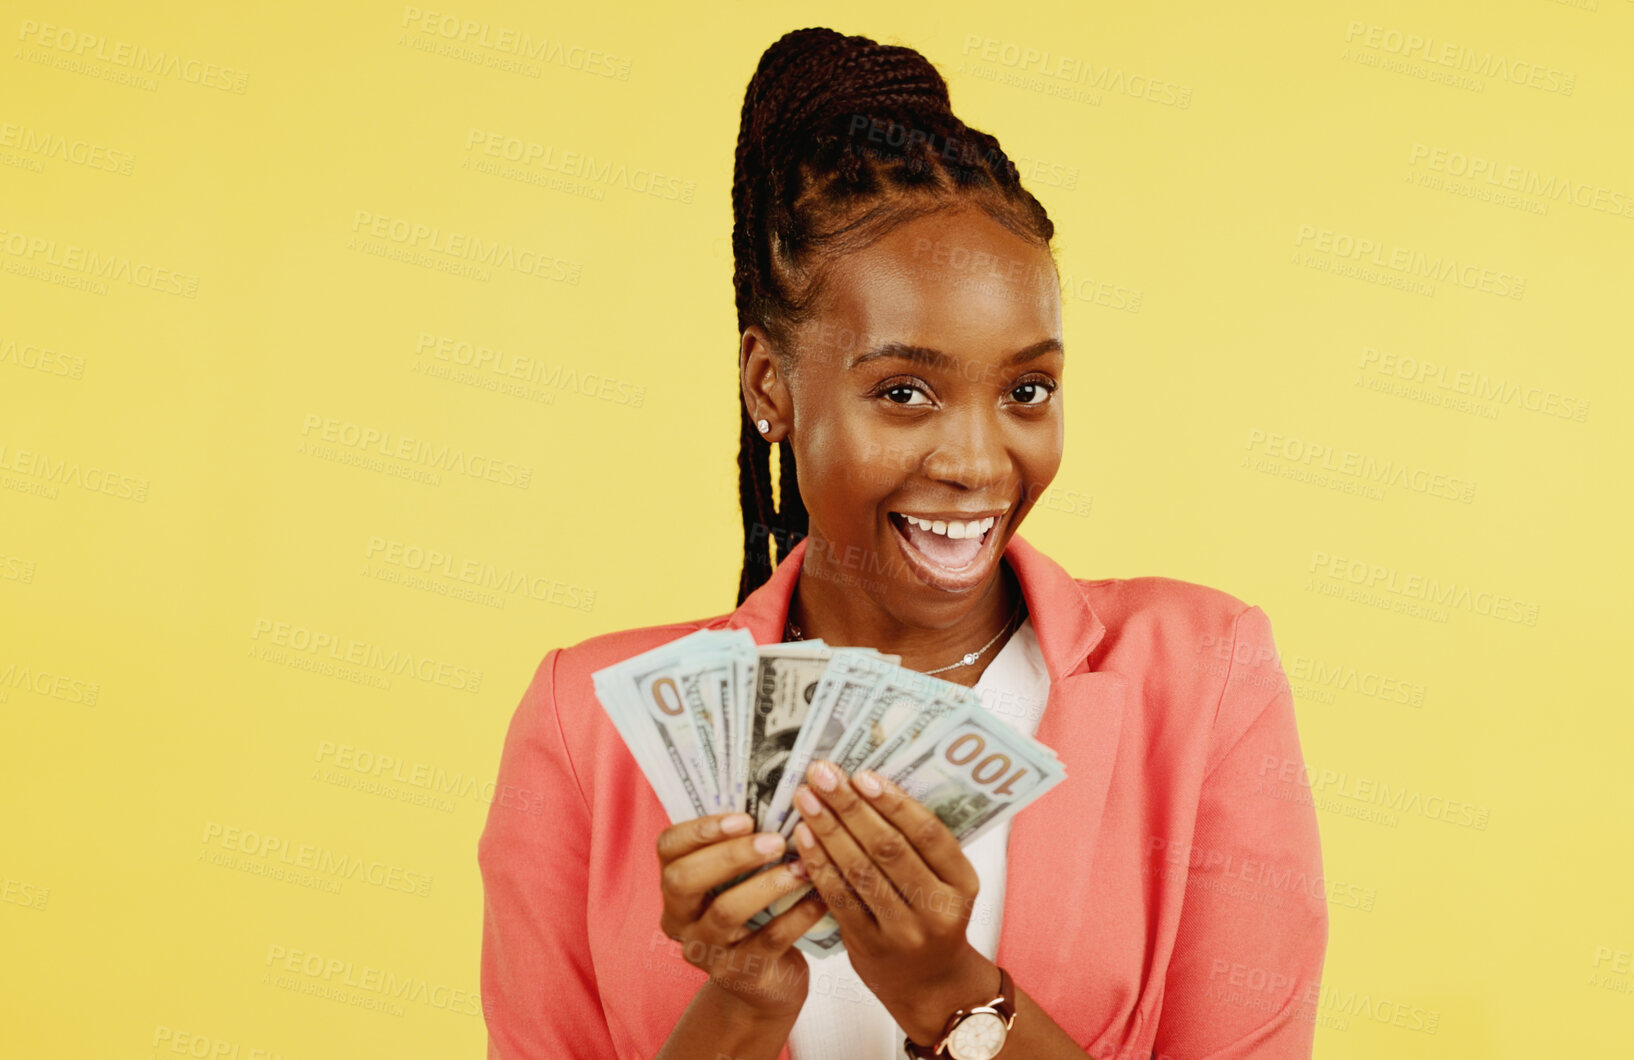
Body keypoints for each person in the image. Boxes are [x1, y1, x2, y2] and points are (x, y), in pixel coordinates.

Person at [478, 27, 1328, 1060]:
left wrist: (947, 991)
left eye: (1026, 390)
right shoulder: (588, 722)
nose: (976, 460)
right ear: (769, 386)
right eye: (904, 392)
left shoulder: (1202, 673)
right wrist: (742, 1003)